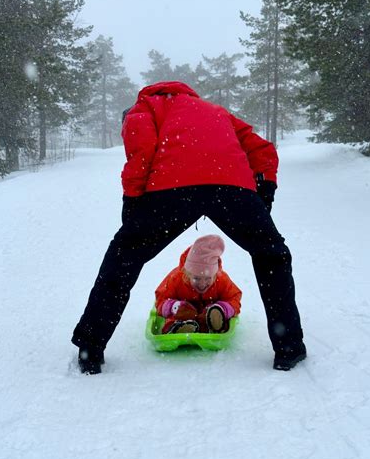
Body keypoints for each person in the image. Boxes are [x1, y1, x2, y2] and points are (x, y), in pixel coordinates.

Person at [72, 80, 306, 374]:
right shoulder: (216, 111)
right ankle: (288, 348)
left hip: (171, 188)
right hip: (230, 186)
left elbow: (141, 153)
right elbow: (263, 150)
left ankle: (90, 348)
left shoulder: (144, 107)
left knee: (124, 258)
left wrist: (132, 205)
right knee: (272, 254)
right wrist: (263, 194)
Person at [155, 234, 241, 334]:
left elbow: (234, 297)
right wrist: (174, 307)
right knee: (175, 318)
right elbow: (161, 298)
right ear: (187, 273)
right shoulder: (176, 278)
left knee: (218, 316)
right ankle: (179, 328)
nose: (202, 284)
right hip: (183, 316)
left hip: (209, 316)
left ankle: (216, 319)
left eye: (208, 278)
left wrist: (222, 308)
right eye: (196, 278)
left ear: (214, 274)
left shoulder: (221, 280)